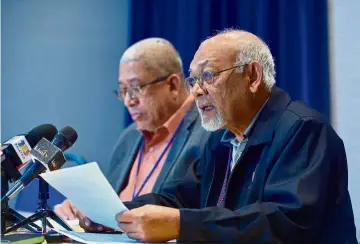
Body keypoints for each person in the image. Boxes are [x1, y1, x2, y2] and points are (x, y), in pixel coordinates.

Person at [114, 30, 358, 243]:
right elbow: (179, 197)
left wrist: (182, 224)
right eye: (194, 79)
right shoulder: (221, 138)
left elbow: (283, 225)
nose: (197, 91)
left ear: (252, 76)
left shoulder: (304, 130)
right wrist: (114, 213)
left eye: (208, 76)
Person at [54, 38, 211, 230]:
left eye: (136, 88)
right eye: (123, 90)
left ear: (173, 85)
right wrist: (84, 208)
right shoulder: (129, 136)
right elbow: (110, 202)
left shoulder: (208, 133)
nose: (129, 101)